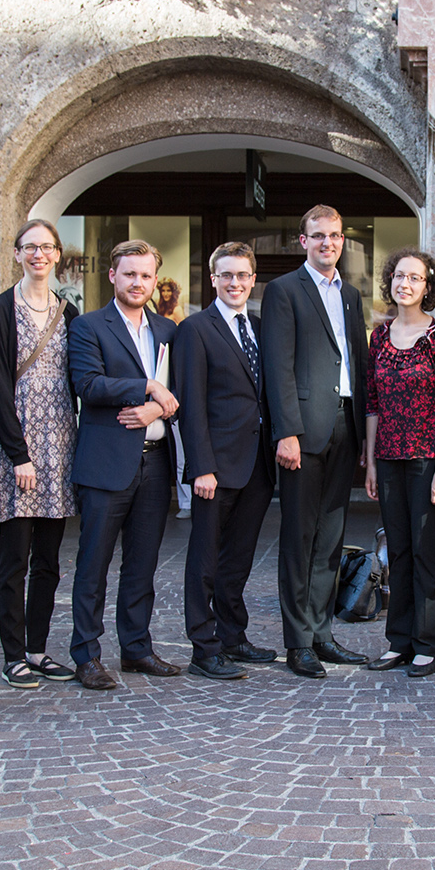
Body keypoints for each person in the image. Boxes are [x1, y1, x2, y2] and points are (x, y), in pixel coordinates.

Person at [261, 205, 370, 679]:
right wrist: (285, 431)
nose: (329, 243)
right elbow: (278, 367)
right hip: (303, 431)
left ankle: (323, 634)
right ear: (302, 241)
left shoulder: (350, 295)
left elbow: (359, 365)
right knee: (298, 538)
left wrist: (366, 433)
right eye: (319, 235)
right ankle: (297, 642)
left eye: (336, 236)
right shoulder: (285, 291)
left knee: (331, 537)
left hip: (345, 425)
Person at [68, 239, 182, 691]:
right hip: (105, 463)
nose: (138, 282)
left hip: (155, 464)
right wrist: (148, 387)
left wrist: (159, 407)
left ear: (155, 281)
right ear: (113, 275)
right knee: (93, 563)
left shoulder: (168, 330)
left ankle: (136, 648)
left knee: (143, 563)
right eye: (129, 274)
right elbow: (88, 384)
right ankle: (87, 655)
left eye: (146, 275)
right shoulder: (89, 326)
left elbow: (181, 392)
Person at [173, 242, 279, 680]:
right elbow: (191, 404)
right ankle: (204, 646)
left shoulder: (258, 326)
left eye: (243, 276)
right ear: (213, 279)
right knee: (205, 558)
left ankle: (234, 636)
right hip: (215, 467)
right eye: (227, 276)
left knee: (239, 557)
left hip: (257, 464)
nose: (235, 283)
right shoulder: (196, 329)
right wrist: (201, 467)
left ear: (253, 280)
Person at [0, 220, 79, 689]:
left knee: (49, 559)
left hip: (60, 444)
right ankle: (13, 654)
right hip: (16, 446)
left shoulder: (69, 310)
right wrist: (17, 453)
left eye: (46, 247)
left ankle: (39, 649)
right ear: (17, 253)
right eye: (29, 247)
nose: (38, 254)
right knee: (14, 558)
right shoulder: (0, 308)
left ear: (58, 254)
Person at [363, 249, 435, 679]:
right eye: (399, 276)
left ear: (427, 286)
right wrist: (368, 463)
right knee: (396, 552)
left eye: (414, 278)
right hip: (387, 458)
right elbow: (371, 404)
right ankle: (398, 641)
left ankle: (428, 643)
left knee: (425, 553)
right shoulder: (379, 337)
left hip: (425, 461)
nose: (405, 283)